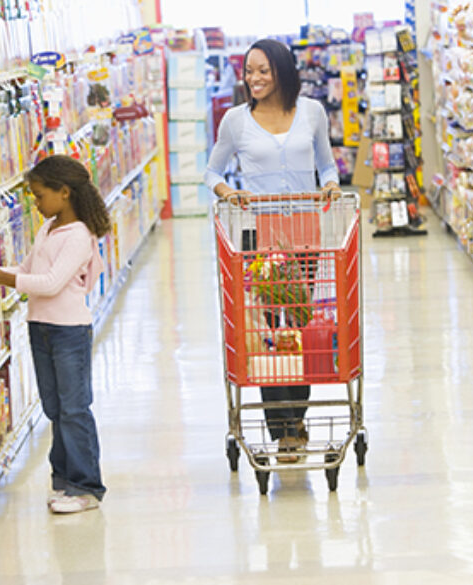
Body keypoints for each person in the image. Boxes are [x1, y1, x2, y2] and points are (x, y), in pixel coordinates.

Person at [205, 38, 341, 463]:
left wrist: (332, 185)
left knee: (298, 330)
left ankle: (296, 420)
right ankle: (279, 430)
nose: (255, 78)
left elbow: (327, 164)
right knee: (265, 334)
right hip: (262, 241)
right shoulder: (235, 121)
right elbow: (211, 172)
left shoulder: (313, 112)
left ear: (281, 70)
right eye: (249, 71)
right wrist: (229, 192)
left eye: (263, 70)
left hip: (305, 235)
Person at [0, 155, 110, 514]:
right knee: (54, 407)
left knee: (75, 409)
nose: (36, 203)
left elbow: (51, 283)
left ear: (65, 192)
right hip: (40, 327)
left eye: (40, 196)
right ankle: (64, 480)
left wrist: (6, 280)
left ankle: (86, 487)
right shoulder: (49, 227)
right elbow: (29, 270)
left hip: (68, 331)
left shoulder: (78, 235)